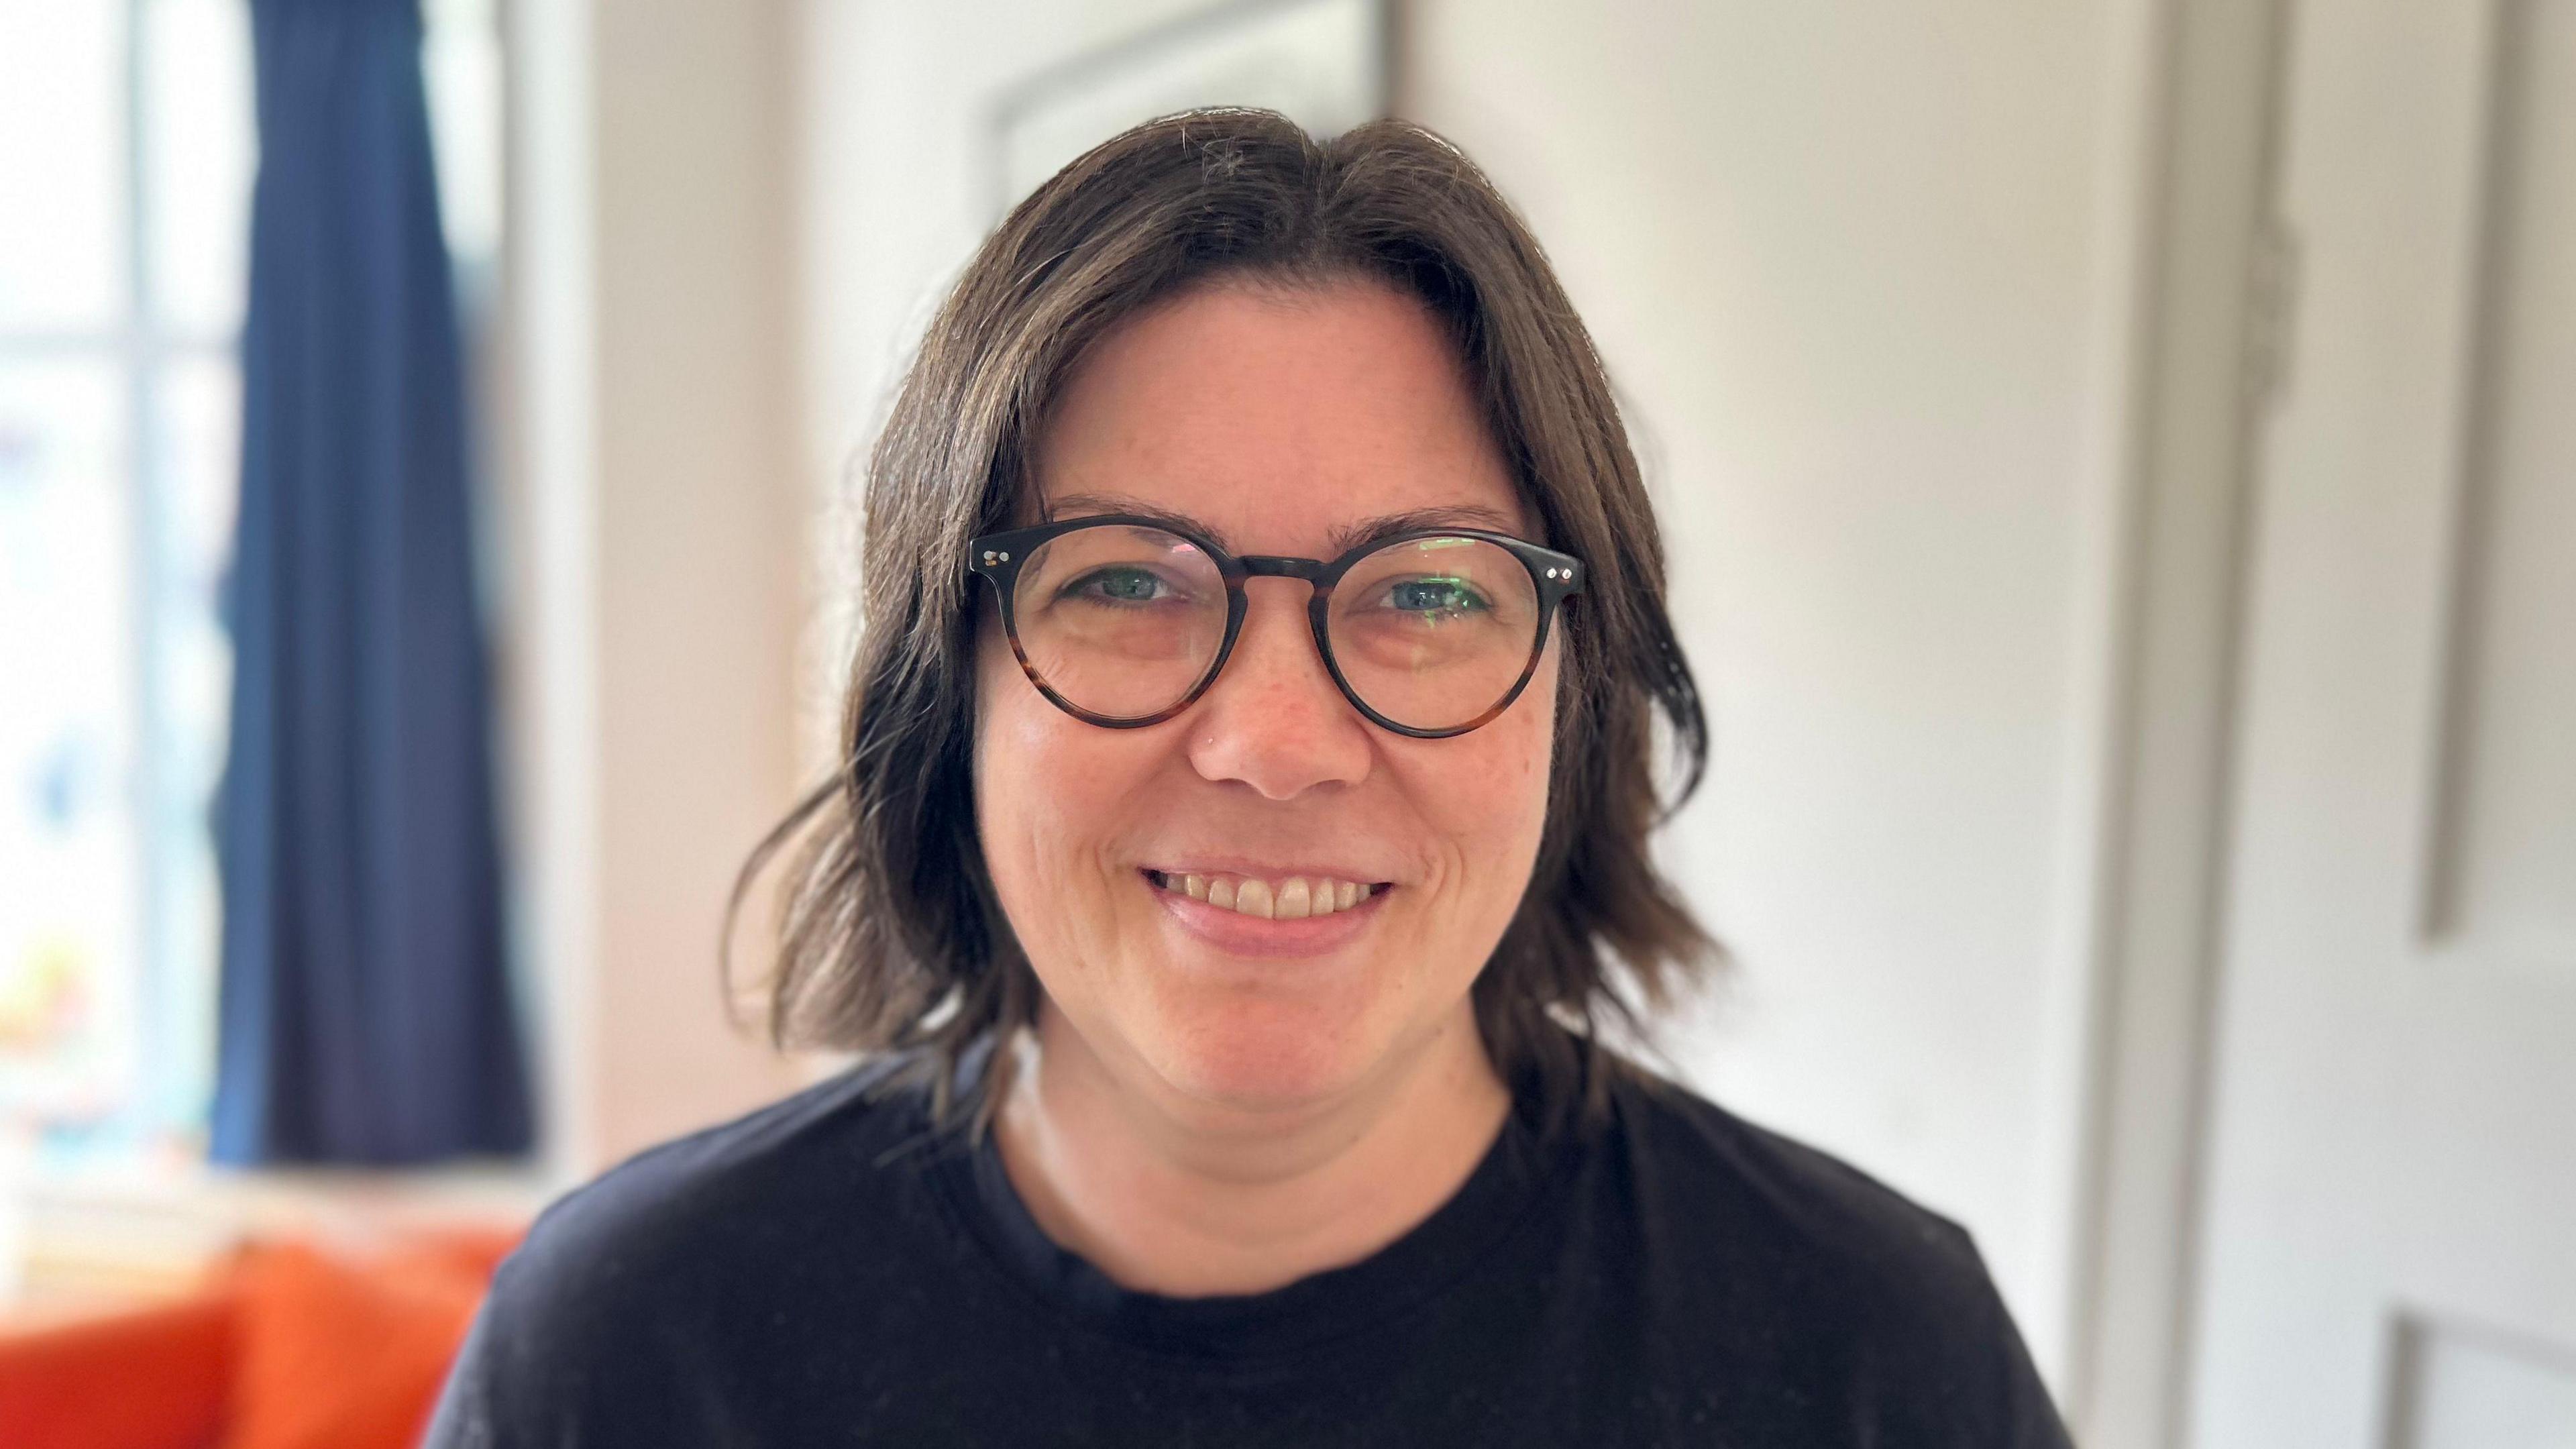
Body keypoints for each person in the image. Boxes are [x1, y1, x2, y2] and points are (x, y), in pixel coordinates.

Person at [427, 109, 2073, 1446]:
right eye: (1126, 583)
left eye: (1430, 592)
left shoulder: (1876, 1363)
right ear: (950, 692)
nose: (1275, 744)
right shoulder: (629, 1356)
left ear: (1575, 704)